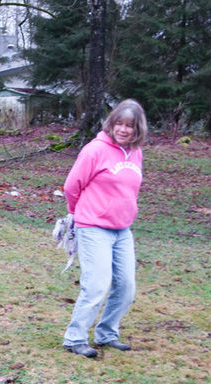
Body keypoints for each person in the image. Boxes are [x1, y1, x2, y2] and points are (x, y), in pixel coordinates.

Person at [61, 99, 148, 357]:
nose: (123, 129)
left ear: (137, 129)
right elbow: (71, 186)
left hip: (123, 230)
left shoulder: (136, 152)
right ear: (111, 124)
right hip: (93, 227)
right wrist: (78, 214)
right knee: (97, 285)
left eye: (129, 126)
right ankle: (74, 338)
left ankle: (106, 333)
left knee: (126, 286)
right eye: (119, 123)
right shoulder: (95, 150)